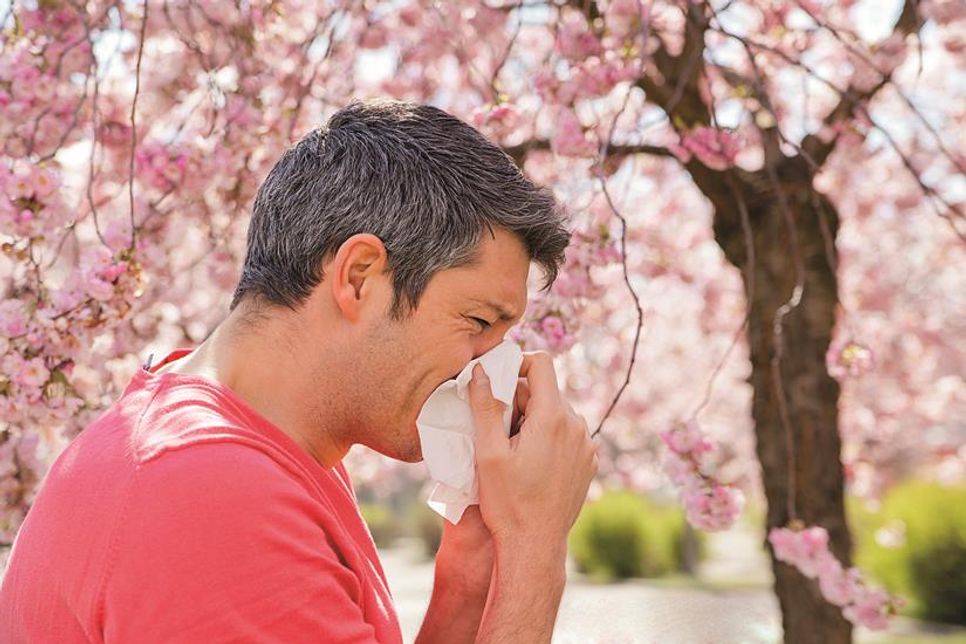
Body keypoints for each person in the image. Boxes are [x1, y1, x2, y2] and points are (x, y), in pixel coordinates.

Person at [0, 99, 598, 643]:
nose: (490, 369)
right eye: (476, 322)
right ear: (359, 276)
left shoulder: (243, 447)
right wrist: (535, 548)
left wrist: (478, 561)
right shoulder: (208, 490)